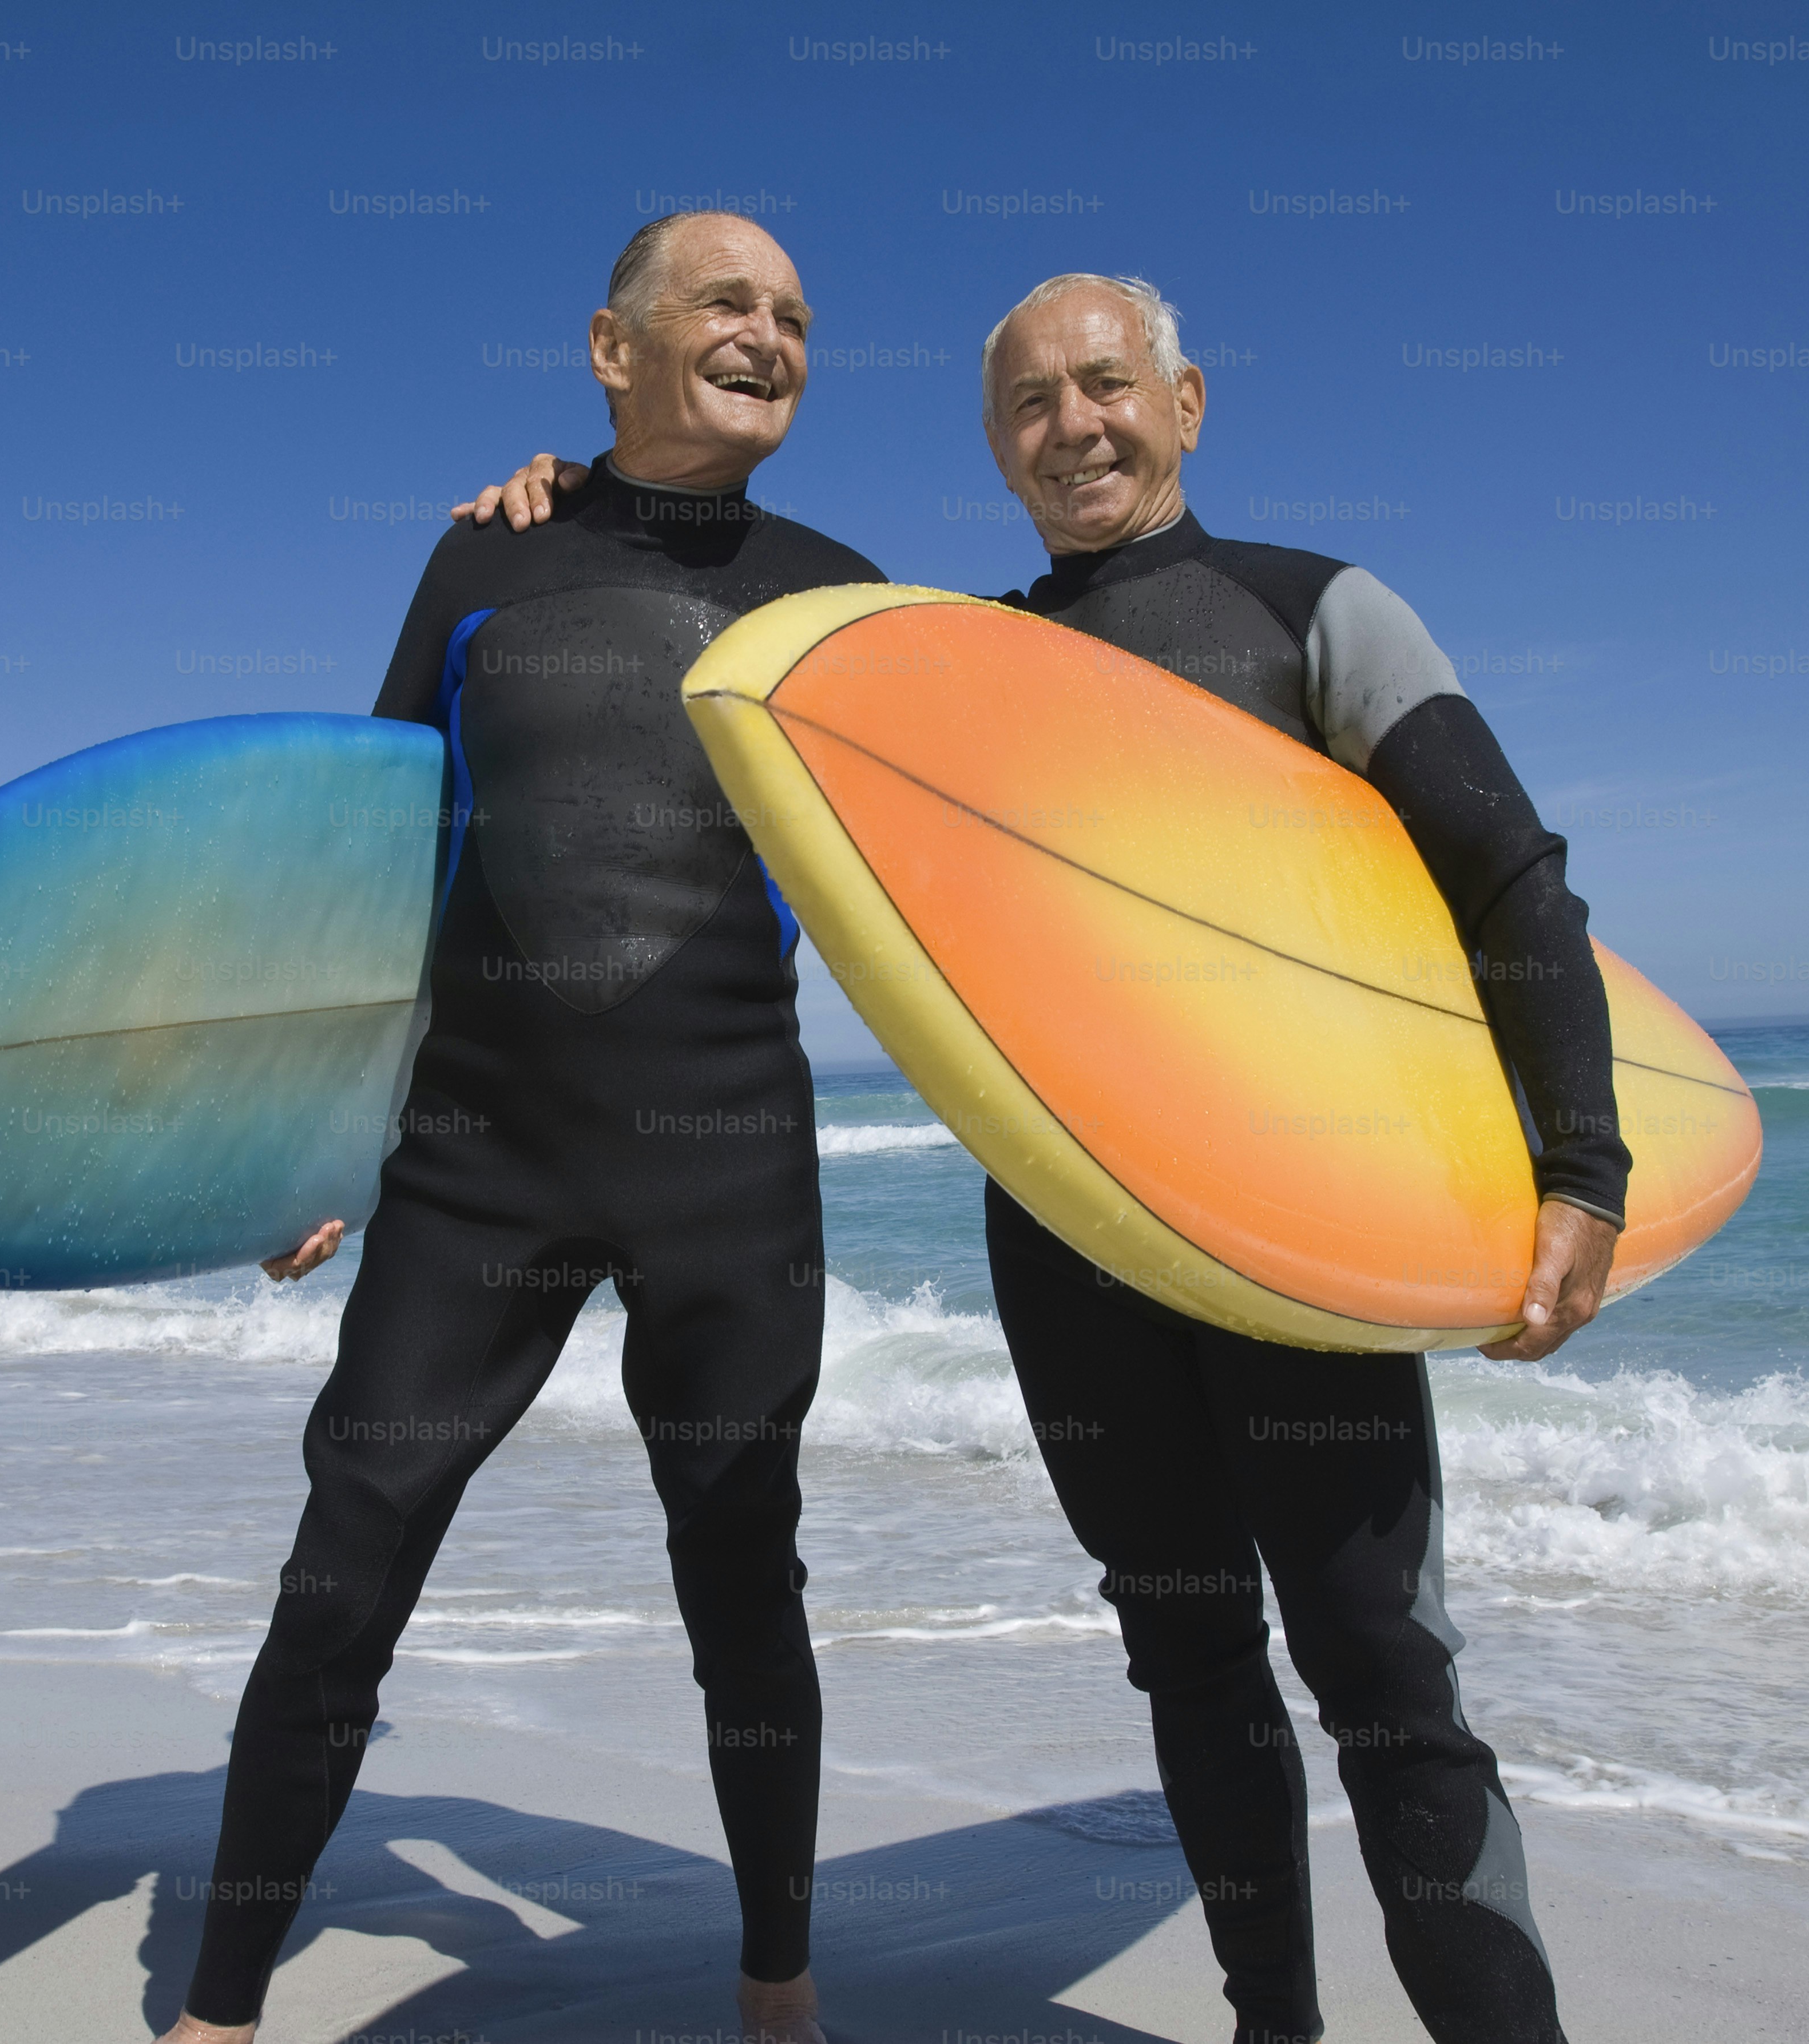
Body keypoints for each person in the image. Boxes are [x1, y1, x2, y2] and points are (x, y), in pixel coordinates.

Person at [457, 273, 1621, 2044]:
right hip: (1071, 1245)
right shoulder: (958, 664)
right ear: (993, 446)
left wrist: (1582, 1170)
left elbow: (1507, 878)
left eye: (1104, 387)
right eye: (1027, 406)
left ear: (1188, 401)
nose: (1073, 427)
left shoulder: (1307, 607)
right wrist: (558, 496)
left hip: (1299, 1233)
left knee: (1383, 1670)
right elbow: (723, 671)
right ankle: (1271, 2030)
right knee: (1185, 1655)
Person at [161, 212, 879, 2044]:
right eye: (727, 302)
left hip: (726, 1154)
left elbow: (958, 883)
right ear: (608, 344)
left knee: (742, 1568)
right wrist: (312, 1126)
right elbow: (379, 846)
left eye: (794, 316)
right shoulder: (482, 551)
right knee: (345, 1564)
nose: (768, 334)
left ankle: (778, 1989)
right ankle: (222, 2010)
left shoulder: (843, 594)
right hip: (474, 1158)